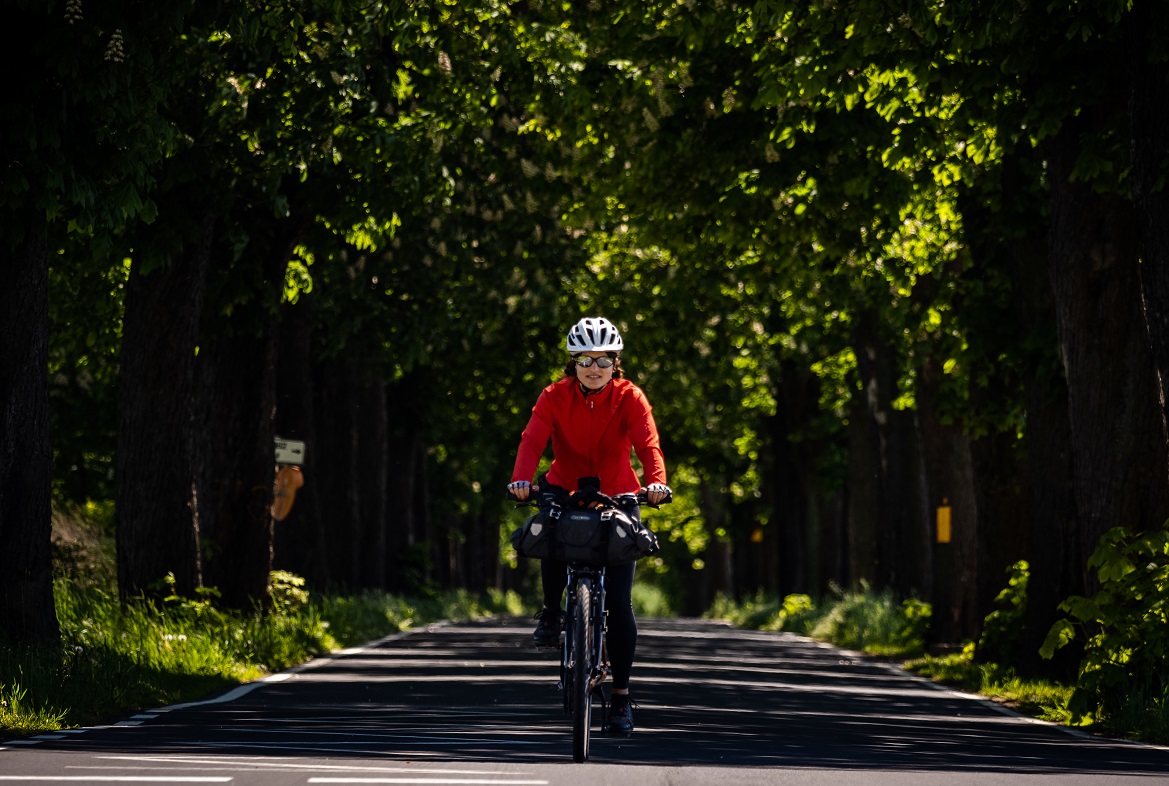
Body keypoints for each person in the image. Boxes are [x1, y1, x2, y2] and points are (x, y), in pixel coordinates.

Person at [507, 316, 670, 736]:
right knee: (549, 532)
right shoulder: (554, 396)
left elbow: (647, 444)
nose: (593, 367)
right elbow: (532, 439)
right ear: (573, 362)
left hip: (619, 494)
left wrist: (657, 483)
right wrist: (522, 480)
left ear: (615, 362)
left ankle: (619, 698)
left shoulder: (630, 396)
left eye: (602, 359)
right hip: (565, 488)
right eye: (584, 359)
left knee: (620, 602)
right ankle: (550, 612)